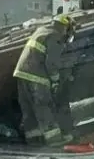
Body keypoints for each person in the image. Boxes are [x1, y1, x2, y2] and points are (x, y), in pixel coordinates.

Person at [13, 13, 76, 146]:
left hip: (21, 73)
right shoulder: (56, 36)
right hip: (37, 76)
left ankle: (33, 140)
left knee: (28, 108)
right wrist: (55, 80)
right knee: (44, 106)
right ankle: (54, 139)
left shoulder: (41, 31)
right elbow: (51, 63)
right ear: (65, 27)